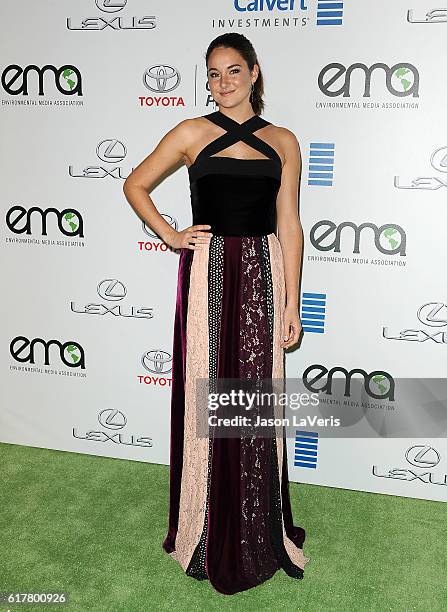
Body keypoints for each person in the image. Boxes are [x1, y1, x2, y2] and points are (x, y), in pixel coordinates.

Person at [123, 32, 310, 595]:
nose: (222, 83)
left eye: (232, 71)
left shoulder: (283, 141)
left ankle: (257, 525)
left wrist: (292, 299)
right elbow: (135, 184)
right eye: (212, 74)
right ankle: (204, 527)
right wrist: (172, 235)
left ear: (255, 73)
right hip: (207, 276)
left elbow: (290, 224)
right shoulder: (189, 132)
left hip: (261, 274)